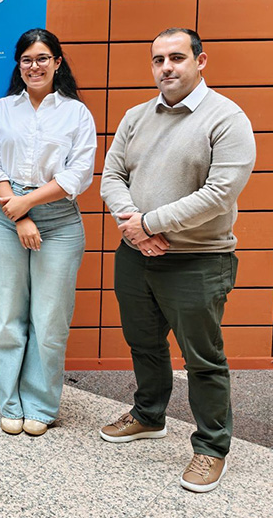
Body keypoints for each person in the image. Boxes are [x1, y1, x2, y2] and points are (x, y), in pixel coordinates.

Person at [99, 28, 255, 493]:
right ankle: (149, 415)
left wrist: (149, 223)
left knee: (202, 358)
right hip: (135, 257)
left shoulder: (227, 119)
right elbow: (111, 176)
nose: (166, 67)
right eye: (158, 59)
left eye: (177, 57)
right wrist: (135, 227)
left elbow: (219, 193)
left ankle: (211, 447)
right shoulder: (136, 116)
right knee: (143, 343)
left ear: (200, 61)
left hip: (198, 261)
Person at [0, 28, 96, 437]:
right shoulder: (2, 110)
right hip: (4, 217)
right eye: (27, 59)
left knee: (49, 322)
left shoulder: (76, 114)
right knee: (8, 318)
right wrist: (19, 214)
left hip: (59, 222)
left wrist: (27, 204)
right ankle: (9, 402)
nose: (34, 66)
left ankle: (41, 405)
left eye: (43, 58)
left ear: (57, 63)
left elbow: (78, 174)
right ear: (19, 65)